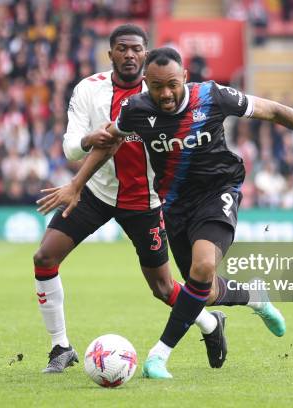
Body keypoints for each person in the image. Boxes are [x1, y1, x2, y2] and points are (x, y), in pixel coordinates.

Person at [37, 47, 293, 378]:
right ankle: (253, 296)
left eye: (172, 84)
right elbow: (109, 140)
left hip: (218, 192)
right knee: (204, 289)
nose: (166, 94)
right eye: (157, 87)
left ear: (185, 76)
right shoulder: (136, 110)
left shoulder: (213, 96)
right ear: (146, 83)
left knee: (202, 266)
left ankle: (159, 355)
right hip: (174, 205)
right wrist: (77, 183)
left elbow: (274, 111)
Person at [33, 25, 231, 375]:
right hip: (96, 192)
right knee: (45, 256)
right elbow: (70, 144)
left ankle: (210, 324)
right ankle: (60, 346)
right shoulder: (88, 89)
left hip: (147, 201)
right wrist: (85, 144)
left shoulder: (161, 91)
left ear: (146, 52)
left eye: (136, 49)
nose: (129, 55)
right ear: (110, 54)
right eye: (121, 48)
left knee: (163, 287)